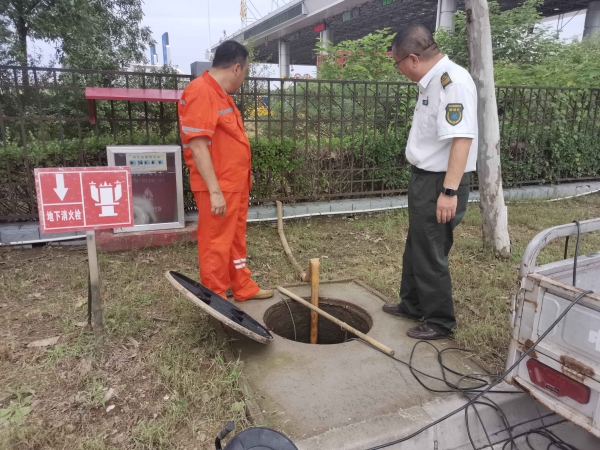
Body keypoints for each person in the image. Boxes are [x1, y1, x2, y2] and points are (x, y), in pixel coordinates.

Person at [382, 24, 478, 340]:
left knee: (430, 250)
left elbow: (462, 139)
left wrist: (449, 191)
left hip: (440, 182)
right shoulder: (432, 81)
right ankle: (412, 304)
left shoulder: (453, 82)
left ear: (412, 58)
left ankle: (439, 320)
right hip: (425, 179)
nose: (400, 70)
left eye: (398, 63)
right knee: (417, 246)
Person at [178, 40, 273, 302]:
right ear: (236, 68)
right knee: (215, 243)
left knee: (234, 239)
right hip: (218, 186)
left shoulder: (220, 95)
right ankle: (216, 298)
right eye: (245, 72)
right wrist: (215, 191)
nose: (244, 78)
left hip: (234, 184)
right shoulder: (201, 92)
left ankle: (242, 286)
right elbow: (198, 146)